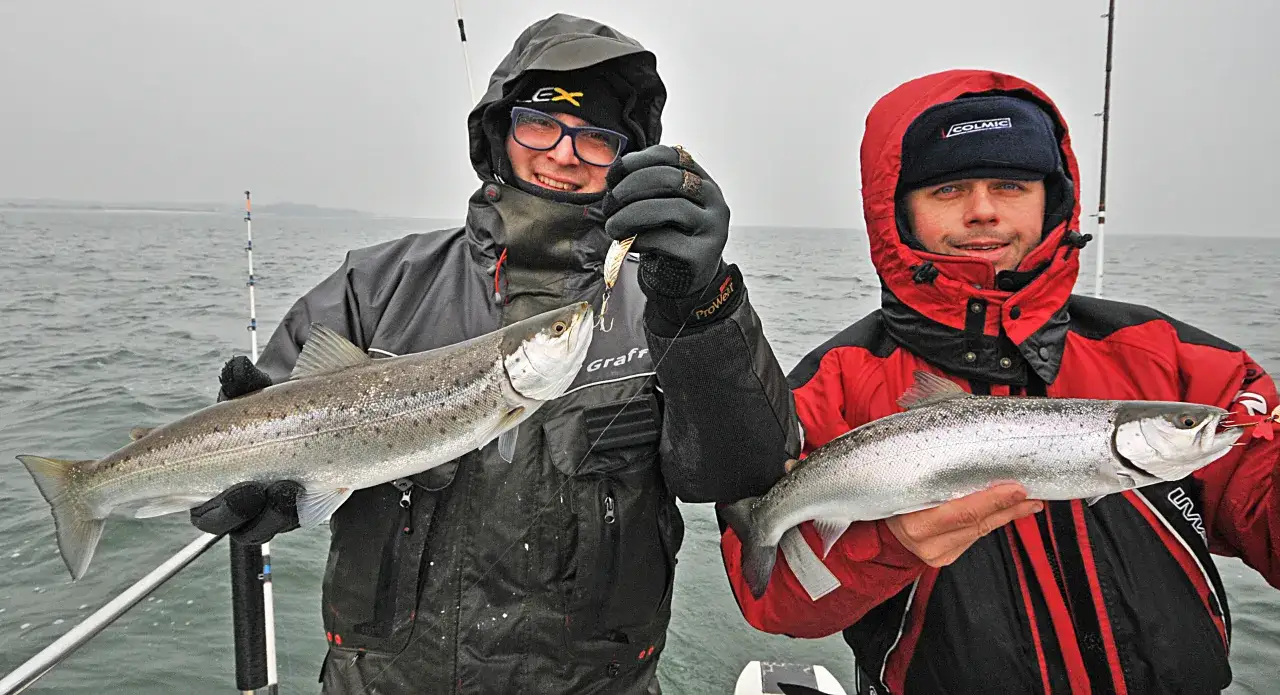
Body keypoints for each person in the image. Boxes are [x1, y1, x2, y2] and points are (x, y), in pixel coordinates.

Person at [612, 68, 1280, 693]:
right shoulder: (835, 382)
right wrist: (888, 544)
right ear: (898, 213)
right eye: (948, 190)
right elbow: (776, 598)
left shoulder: (1175, 360)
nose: (984, 211)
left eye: (1011, 186)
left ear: (1054, 200)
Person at [187, 13, 773, 694]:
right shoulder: (376, 286)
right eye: (540, 124)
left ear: (627, 157)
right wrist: (255, 488)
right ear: (500, 129)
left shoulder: (663, 303)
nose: (562, 152)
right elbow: (260, 460)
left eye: (596, 138)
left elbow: (741, 467)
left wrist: (705, 306)